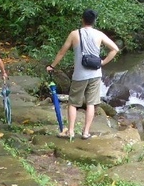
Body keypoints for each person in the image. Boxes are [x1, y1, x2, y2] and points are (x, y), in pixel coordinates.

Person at [45, 9, 119, 140]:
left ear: (82, 19)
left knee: (73, 103)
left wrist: (52, 66)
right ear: (94, 21)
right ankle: (85, 133)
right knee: (91, 103)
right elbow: (115, 49)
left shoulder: (74, 34)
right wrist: (103, 62)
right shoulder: (99, 34)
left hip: (80, 75)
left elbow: (62, 52)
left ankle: (71, 131)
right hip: (95, 74)